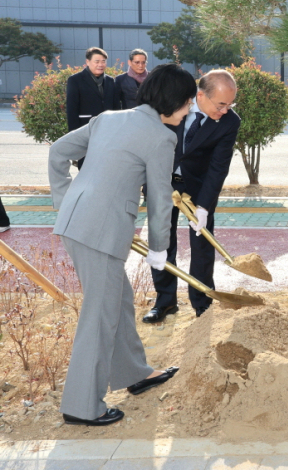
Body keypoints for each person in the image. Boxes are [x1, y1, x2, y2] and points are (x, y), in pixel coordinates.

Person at [48, 64, 196, 427]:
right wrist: (160, 249)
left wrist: (66, 200)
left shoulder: (108, 118)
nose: (190, 109)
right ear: (172, 100)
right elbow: (161, 199)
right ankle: (83, 406)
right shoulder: (162, 137)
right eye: (188, 101)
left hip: (80, 224)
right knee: (98, 315)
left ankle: (134, 373)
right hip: (98, 233)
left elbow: (57, 151)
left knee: (118, 300)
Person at [144, 70, 240, 323]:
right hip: (162, 182)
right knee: (162, 240)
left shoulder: (230, 122)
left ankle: (202, 303)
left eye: (230, 104)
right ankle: (165, 302)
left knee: (202, 246)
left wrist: (205, 207)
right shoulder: (170, 106)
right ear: (200, 96)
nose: (225, 110)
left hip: (198, 187)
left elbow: (218, 167)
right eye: (221, 104)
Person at [65, 48, 122, 168]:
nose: (101, 64)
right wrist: (74, 135)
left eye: (103, 61)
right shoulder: (75, 80)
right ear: (87, 62)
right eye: (97, 61)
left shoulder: (110, 81)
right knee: (86, 166)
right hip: (85, 130)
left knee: (106, 166)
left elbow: (116, 108)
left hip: (107, 132)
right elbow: (71, 109)